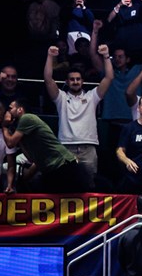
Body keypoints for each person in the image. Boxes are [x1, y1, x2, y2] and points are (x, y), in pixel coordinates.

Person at [44, 44, 114, 189]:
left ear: (82, 81)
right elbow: (48, 79)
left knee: (89, 184)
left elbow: (109, 78)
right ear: (67, 82)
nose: (75, 82)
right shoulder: (61, 98)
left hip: (88, 147)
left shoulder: (91, 97)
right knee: (64, 184)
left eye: (78, 79)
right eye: (72, 79)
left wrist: (106, 56)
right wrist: (50, 56)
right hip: (65, 147)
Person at [2, 97, 90, 193]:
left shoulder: (27, 118)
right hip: (50, 170)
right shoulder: (22, 131)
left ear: (20, 110)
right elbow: (31, 158)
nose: (8, 112)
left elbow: (10, 143)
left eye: (10, 108)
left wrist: (4, 126)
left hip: (64, 166)